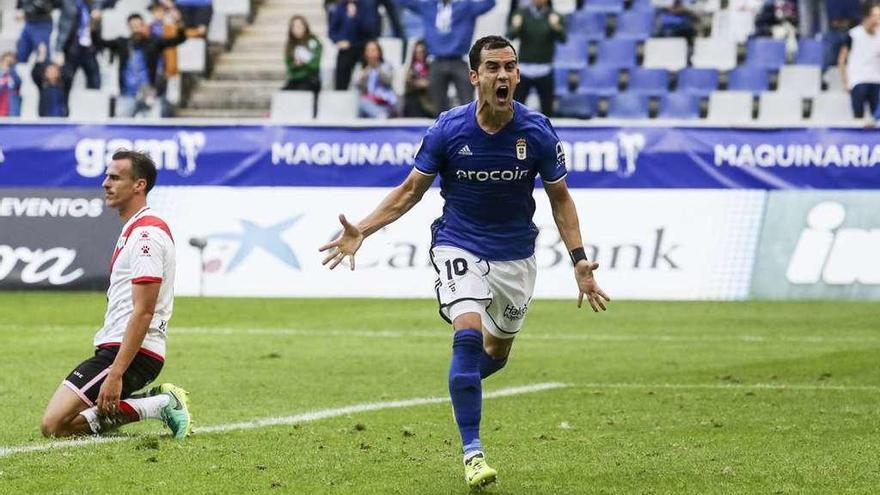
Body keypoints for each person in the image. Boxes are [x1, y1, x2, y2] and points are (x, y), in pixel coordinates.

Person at [319, 35, 610, 490]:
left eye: (510, 67)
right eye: (493, 67)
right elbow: (410, 191)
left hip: (516, 256)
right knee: (468, 336)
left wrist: (579, 260)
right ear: (474, 76)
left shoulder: (536, 131)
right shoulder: (448, 130)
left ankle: (462, 386)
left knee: (496, 355)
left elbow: (560, 199)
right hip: (459, 245)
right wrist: (363, 229)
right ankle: (473, 453)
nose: (503, 75)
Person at [40, 149, 192, 440]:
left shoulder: (147, 234)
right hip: (122, 350)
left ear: (139, 185)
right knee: (63, 425)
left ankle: (160, 405)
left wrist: (116, 372)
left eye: (114, 177)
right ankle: (151, 404)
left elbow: (144, 310)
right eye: (106, 176)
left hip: (131, 352)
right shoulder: (133, 229)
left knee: (54, 425)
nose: (105, 183)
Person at [397, 0, 496, 113]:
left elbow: (489, 4)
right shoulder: (428, 6)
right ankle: (442, 129)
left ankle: (469, 128)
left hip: (458, 59)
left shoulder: (465, 7)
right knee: (437, 105)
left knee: (467, 102)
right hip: (436, 60)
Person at [97, 13, 187, 117]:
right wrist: (95, 23)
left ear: (143, 26)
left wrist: (179, 23)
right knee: (122, 126)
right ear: (129, 27)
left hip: (148, 93)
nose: (136, 29)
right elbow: (99, 42)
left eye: (138, 26)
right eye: (133, 26)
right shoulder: (122, 43)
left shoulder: (153, 43)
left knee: (151, 128)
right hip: (127, 93)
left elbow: (179, 39)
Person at [507, 0, 565, 117]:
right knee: (515, 108)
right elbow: (511, 35)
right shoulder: (521, 14)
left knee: (547, 109)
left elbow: (563, 39)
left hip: (545, 69)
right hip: (524, 69)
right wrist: (515, 26)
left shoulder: (554, 15)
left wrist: (556, 26)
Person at [838, 3, 880, 119]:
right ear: (867, 17)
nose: (877, 19)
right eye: (875, 15)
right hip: (858, 80)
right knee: (858, 117)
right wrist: (845, 81)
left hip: (876, 80)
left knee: (877, 118)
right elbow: (841, 60)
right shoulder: (853, 34)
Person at [328, 0, 377, 90]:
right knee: (342, 69)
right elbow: (332, 31)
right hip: (347, 48)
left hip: (363, 46)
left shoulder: (366, 6)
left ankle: (369, 96)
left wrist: (354, 17)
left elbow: (370, 28)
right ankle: (340, 94)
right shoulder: (340, 7)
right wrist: (338, 40)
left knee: (371, 66)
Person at [56, 0, 104, 90]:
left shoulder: (95, 3)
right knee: (65, 80)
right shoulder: (69, 3)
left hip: (90, 49)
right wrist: (59, 50)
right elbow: (63, 28)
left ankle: (94, 102)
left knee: (95, 81)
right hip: (71, 47)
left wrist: (97, 14)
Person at [356, 39, 398, 118]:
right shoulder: (362, 69)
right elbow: (359, 89)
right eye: (368, 50)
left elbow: (388, 81)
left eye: (373, 50)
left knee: (363, 105)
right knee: (361, 105)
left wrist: (377, 67)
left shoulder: (387, 66)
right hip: (369, 102)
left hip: (385, 103)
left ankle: (380, 115)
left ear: (379, 52)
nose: (371, 53)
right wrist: (362, 78)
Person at [283, 15, 322, 95]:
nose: (297, 29)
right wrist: (295, 65)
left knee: (301, 92)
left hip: (311, 80)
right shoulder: (290, 45)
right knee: (283, 94)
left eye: (299, 26)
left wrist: (304, 63)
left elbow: (315, 65)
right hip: (295, 80)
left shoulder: (314, 42)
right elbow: (289, 67)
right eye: (294, 27)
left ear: (305, 27)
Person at [31, 43, 68, 117]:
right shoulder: (42, 85)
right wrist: (41, 57)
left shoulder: (64, 85)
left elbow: (68, 76)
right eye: (49, 71)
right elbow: (35, 73)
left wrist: (62, 64)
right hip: (45, 119)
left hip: (62, 119)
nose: (52, 73)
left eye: (54, 71)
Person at [403, 39, 434, 117]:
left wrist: (428, 83)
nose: (419, 54)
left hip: (429, 102)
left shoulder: (432, 67)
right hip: (415, 101)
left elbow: (436, 83)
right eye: (416, 52)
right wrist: (416, 83)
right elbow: (408, 83)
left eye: (421, 52)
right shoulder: (411, 68)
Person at [0, 51, 22, 117]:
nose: (8, 64)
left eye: (11, 62)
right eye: (6, 61)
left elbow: (18, 83)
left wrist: (11, 70)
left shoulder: (15, 75)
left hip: (12, 112)